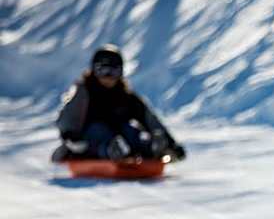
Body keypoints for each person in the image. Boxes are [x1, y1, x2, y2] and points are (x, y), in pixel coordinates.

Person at [52, 44, 186, 163]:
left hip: (123, 140)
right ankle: (111, 151)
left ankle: (151, 149)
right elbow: (66, 119)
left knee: (131, 129)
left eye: (113, 71)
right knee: (98, 130)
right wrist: (70, 136)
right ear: (94, 70)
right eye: (103, 70)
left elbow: (150, 119)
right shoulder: (83, 93)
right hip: (89, 144)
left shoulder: (126, 96)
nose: (108, 76)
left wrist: (171, 144)